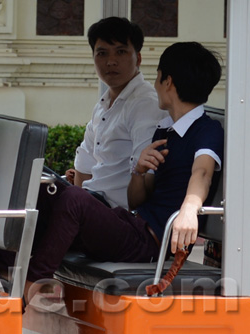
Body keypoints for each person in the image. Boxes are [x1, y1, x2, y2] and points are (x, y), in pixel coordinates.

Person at [25, 41, 223, 301]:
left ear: (169, 82)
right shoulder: (165, 131)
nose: (154, 84)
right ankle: (4, 279)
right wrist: (139, 170)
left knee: (75, 199)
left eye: (157, 77)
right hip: (132, 225)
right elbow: (137, 199)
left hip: (150, 244)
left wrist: (189, 209)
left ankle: (32, 286)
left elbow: (202, 174)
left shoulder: (206, 130)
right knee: (43, 191)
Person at [66, 16, 166, 209]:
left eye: (120, 52)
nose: (111, 61)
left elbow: (146, 179)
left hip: (120, 216)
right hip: (92, 207)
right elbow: (84, 165)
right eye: (102, 53)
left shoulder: (145, 104)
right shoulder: (103, 104)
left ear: (138, 58)